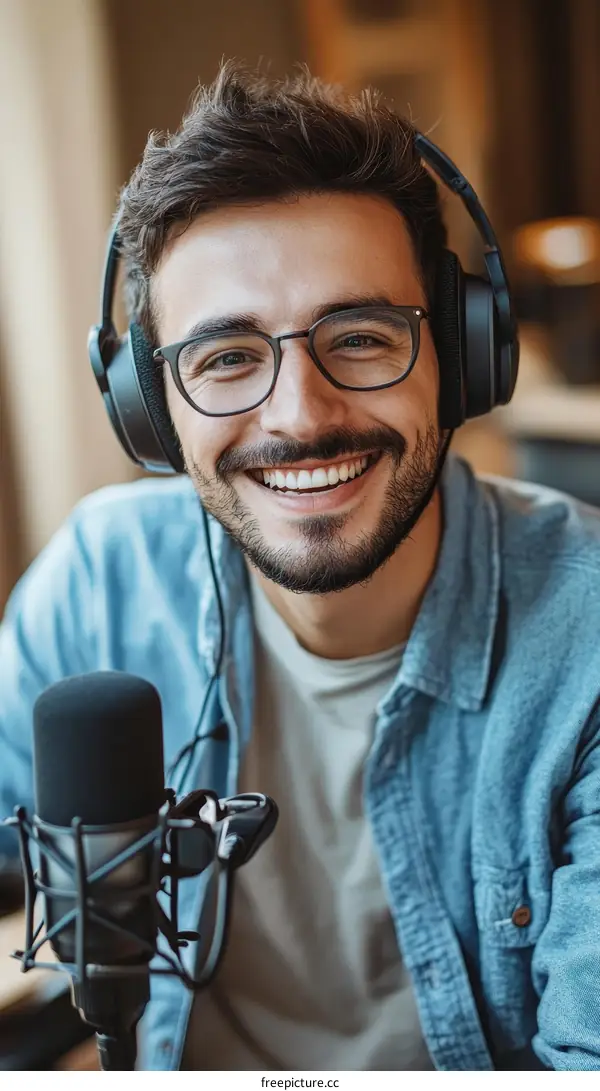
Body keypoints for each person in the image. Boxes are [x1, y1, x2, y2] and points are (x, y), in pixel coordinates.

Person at [1, 62, 600, 1073]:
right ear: (152, 408)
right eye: (226, 357)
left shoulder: (586, 636)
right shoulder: (103, 580)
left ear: (462, 355)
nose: (300, 414)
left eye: (361, 338)